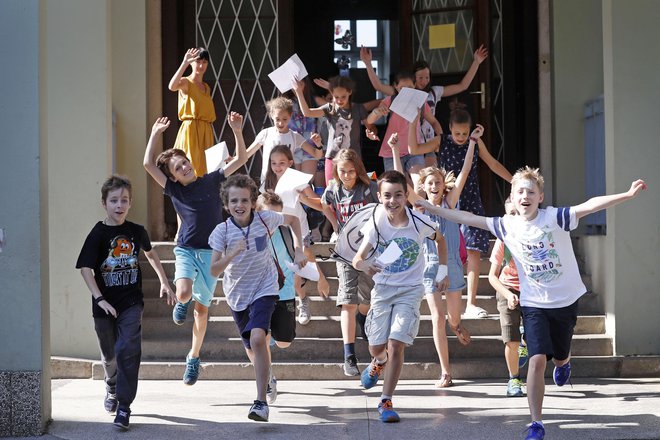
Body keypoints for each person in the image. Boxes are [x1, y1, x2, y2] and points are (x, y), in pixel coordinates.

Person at [414, 167, 647, 439]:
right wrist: (435, 209)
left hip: (564, 301)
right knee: (536, 359)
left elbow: (589, 205)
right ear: (512, 198)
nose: (525, 196)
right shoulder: (506, 224)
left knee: (559, 356)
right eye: (520, 191)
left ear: (540, 197)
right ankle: (536, 422)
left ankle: (563, 363)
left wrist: (627, 195)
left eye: (531, 192)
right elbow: (467, 217)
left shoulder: (555, 218)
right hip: (533, 303)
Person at [143, 113, 247, 386]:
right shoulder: (176, 191)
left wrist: (237, 130)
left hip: (212, 254)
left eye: (185, 162)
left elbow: (241, 159)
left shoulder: (211, 181)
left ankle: (193, 356)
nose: (185, 168)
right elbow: (147, 164)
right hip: (187, 250)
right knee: (184, 292)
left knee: (202, 311)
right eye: (178, 168)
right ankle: (182, 301)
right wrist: (155, 134)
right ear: (173, 177)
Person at [76, 175, 175, 430]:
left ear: (130, 203)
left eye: (124, 200)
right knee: (110, 355)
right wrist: (99, 299)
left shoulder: (135, 231)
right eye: (114, 201)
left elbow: (151, 253)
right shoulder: (98, 233)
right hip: (104, 305)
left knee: (128, 351)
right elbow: (85, 268)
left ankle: (124, 406)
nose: (119, 205)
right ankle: (111, 383)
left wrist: (164, 281)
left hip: (131, 302)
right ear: (104, 203)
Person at [390, 118, 483, 388]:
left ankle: (458, 327)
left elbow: (465, 171)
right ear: (424, 186)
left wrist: (473, 143)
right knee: (437, 318)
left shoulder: (450, 204)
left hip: (452, 265)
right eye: (429, 182)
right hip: (428, 268)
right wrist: (396, 151)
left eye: (438, 182)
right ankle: (445, 371)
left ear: (443, 185)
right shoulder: (418, 206)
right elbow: (400, 182)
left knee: (453, 318)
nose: (434, 186)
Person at [208, 174, 306, 422]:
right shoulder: (222, 231)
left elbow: (294, 220)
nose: (239, 205)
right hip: (237, 295)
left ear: (253, 202)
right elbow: (214, 269)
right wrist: (232, 253)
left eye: (244, 200)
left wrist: (298, 248)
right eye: (233, 201)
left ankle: (260, 403)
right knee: (253, 347)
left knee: (258, 337)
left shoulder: (265, 218)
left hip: (265, 287)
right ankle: (268, 377)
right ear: (226, 205)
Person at [352, 170, 445, 423]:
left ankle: (386, 401)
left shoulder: (418, 222)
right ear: (380, 197)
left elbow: (441, 239)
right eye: (387, 196)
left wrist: (442, 271)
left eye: (398, 195)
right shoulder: (377, 222)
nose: (392, 201)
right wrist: (365, 265)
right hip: (382, 290)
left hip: (410, 290)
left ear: (407, 196)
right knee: (377, 346)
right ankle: (378, 361)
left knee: (396, 343)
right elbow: (357, 258)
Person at [433, 106, 512, 319]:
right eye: (457, 133)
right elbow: (414, 148)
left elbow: (492, 163)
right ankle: (447, 299)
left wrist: (514, 180)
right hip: (449, 201)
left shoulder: (475, 143)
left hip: (471, 199)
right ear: (449, 128)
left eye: (464, 133)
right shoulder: (442, 141)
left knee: (474, 249)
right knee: (448, 248)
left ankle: (471, 303)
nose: (460, 137)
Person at [321, 148, 379, 376]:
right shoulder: (333, 189)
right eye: (342, 171)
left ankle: (364, 322)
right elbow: (324, 204)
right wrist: (335, 226)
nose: (346, 175)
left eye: (351, 171)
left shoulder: (368, 188)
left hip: (367, 250)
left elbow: (382, 208)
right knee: (347, 301)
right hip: (344, 251)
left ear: (358, 170)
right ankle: (349, 355)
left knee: (366, 301)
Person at [262, 145, 329, 325]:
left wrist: (305, 199)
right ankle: (302, 297)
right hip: (279, 231)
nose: (277, 167)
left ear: (290, 163)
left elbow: (319, 204)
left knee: (305, 254)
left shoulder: (297, 180)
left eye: (282, 163)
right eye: (274, 163)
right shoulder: (267, 183)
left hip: (299, 227)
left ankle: (316, 285)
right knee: (291, 270)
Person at [292, 76, 379, 185]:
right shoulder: (329, 108)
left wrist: (372, 133)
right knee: (332, 190)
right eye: (336, 97)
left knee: (355, 189)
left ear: (350, 92)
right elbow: (307, 112)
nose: (339, 100)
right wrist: (299, 92)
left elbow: (370, 127)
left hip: (353, 158)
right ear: (331, 94)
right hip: (332, 158)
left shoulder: (358, 109)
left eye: (343, 97)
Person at [412, 45, 488, 167]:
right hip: (412, 142)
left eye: (427, 77)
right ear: (413, 77)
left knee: (431, 175)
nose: (424, 81)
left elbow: (462, 86)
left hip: (430, 142)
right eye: (420, 77)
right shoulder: (407, 94)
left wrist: (476, 62)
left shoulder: (434, 92)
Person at [256, 191, 299, 404]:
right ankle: (268, 378)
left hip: (286, 291)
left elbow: (296, 257)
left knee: (284, 342)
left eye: (277, 216)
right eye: (267, 215)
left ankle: (271, 339)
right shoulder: (255, 234)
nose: (272, 221)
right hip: (262, 293)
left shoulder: (286, 232)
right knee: (261, 338)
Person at [488, 198, 527, 397]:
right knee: (510, 340)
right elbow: (492, 276)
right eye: (510, 213)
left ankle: (525, 343)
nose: (514, 217)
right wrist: (508, 294)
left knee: (530, 337)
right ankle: (514, 380)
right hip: (508, 288)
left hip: (533, 292)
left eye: (517, 212)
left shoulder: (536, 237)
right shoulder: (503, 240)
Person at [246, 96, 324, 184]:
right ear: (271, 116)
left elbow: (316, 155)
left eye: (284, 119)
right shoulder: (266, 133)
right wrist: (233, 159)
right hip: (268, 182)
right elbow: (247, 154)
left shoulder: (295, 136)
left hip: (287, 184)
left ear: (290, 116)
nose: (280, 123)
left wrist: (318, 145)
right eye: (277, 119)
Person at [168, 47, 217, 176]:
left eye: (204, 62)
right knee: (190, 167)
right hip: (191, 130)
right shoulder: (186, 82)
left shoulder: (207, 87)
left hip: (206, 132)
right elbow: (172, 86)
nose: (201, 65)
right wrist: (184, 63)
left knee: (206, 170)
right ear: (192, 62)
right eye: (198, 61)